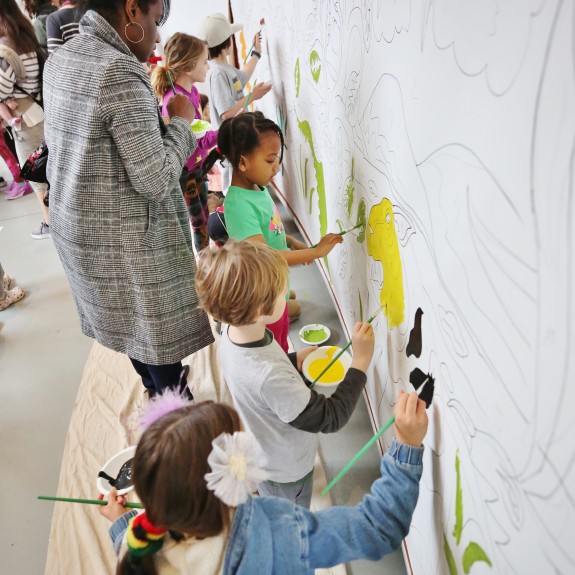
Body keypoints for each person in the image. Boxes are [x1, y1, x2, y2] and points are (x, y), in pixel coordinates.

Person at [42, 0, 214, 397]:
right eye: (155, 20)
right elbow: (155, 178)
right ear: (132, 10)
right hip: (124, 241)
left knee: (133, 327)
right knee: (152, 330)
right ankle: (174, 415)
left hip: (77, 225)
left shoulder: (63, 57)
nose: (157, 34)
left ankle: (157, 390)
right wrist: (184, 125)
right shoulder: (118, 71)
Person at [100, 388, 428, 574]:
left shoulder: (138, 553)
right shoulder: (278, 533)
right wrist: (407, 447)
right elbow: (378, 528)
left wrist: (121, 525)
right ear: (230, 479)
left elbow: (132, 546)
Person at [195, 239, 374, 506]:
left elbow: (260, 375)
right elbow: (331, 416)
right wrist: (360, 361)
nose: (287, 292)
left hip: (265, 450)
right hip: (286, 471)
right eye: (282, 290)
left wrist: (294, 360)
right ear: (259, 311)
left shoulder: (235, 333)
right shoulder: (269, 376)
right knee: (291, 519)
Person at [202, 112, 342, 352]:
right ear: (243, 162)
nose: (276, 167)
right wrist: (315, 253)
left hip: (275, 282)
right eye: (270, 161)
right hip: (263, 297)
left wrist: (295, 244)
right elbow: (269, 256)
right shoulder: (239, 205)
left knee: (284, 319)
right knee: (277, 341)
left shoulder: (256, 186)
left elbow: (269, 226)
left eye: (277, 159)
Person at [152, 33, 217, 252]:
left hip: (197, 167)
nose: (208, 67)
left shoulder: (193, 92)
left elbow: (200, 133)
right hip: (184, 173)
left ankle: (207, 264)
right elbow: (200, 137)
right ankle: (204, 272)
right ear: (189, 67)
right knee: (198, 226)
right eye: (205, 62)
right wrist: (227, 132)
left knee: (204, 220)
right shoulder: (175, 101)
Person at [196, 12, 272, 194]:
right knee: (234, 190)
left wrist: (256, 52)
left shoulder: (226, 69)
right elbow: (227, 112)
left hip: (238, 141)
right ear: (228, 43)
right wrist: (252, 96)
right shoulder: (217, 73)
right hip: (230, 144)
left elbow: (244, 75)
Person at [0, 0, 50, 233]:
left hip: (26, 122)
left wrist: (5, 100)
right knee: (51, 169)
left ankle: (49, 222)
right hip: (44, 113)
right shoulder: (28, 39)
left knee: (36, 173)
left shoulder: (6, 50)